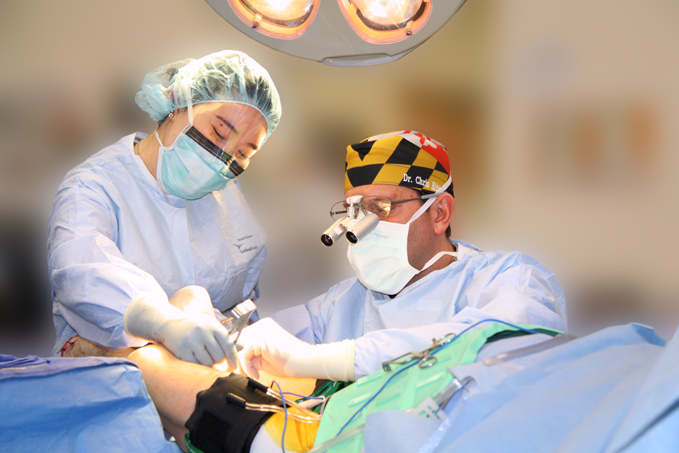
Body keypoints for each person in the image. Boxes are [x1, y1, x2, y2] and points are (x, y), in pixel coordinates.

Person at [236, 130, 568, 382]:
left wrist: (333, 359)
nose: (362, 226)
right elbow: (264, 341)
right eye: (354, 211)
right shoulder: (343, 303)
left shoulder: (507, 278)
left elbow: (493, 340)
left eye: (381, 208)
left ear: (439, 213)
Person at [47, 50, 282, 369]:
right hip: (104, 366)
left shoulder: (228, 196)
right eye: (219, 133)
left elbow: (243, 293)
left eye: (243, 152)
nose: (222, 156)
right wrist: (162, 321)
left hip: (206, 367)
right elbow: (79, 271)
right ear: (176, 105)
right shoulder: (94, 186)